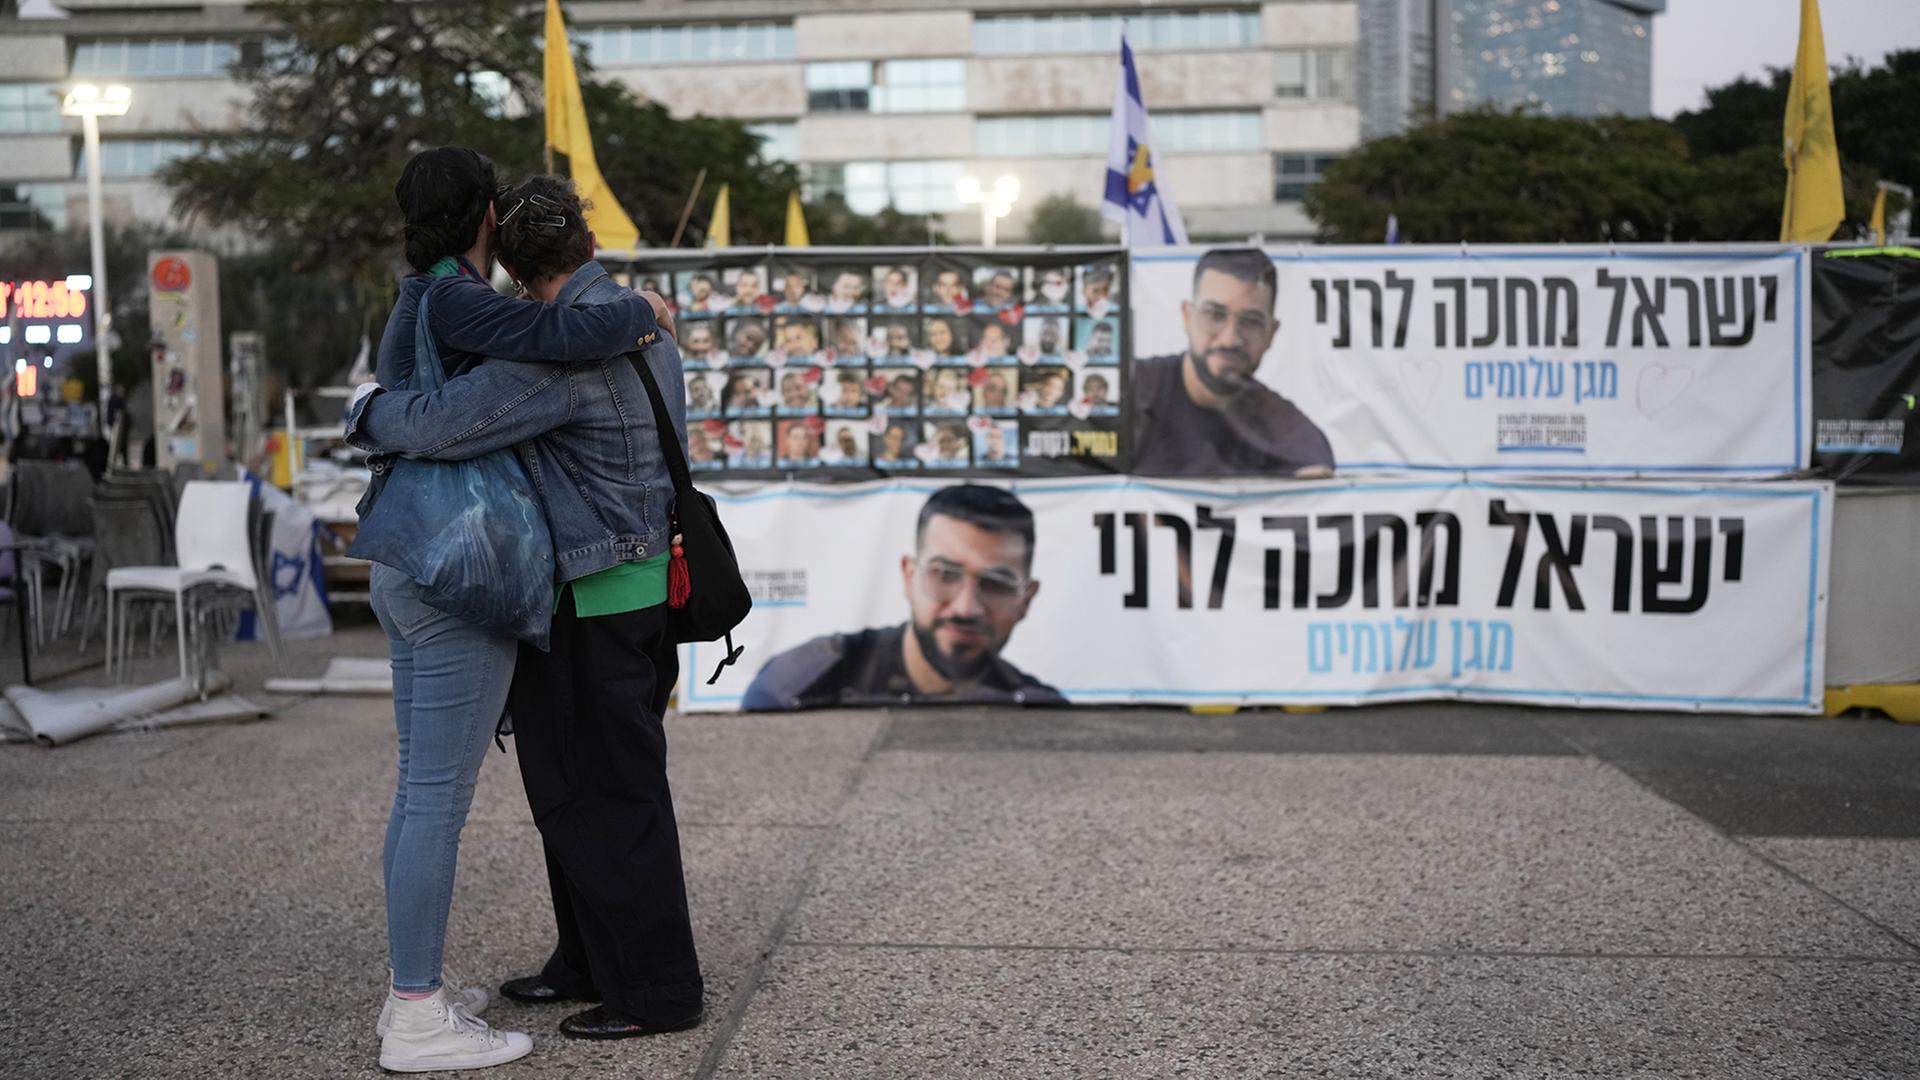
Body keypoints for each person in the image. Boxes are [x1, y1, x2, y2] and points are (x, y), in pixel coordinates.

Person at [347, 168, 696, 1062]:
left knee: (609, 796)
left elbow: (442, 425)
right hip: (630, 583)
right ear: (588, 243)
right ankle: (583, 960)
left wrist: (369, 412)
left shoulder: (564, 357)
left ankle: (653, 989)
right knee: (575, 791)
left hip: (599, 590)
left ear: (510, 262)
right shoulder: (637, 321)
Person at [744, 485, 1064, 709]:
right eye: (945, 574)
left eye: (996, 584)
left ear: (1026, 600)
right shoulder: (799, 686)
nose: (966, 608)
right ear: (910, 577)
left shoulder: (1042, 715)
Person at [1131, 247, 1333, 477]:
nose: (1230, 339)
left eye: (1251, 322)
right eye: (1214, 315)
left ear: (1271, 334)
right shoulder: (1128, 394)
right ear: (1187, 317)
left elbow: (1315, 471)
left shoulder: (1289, 433)